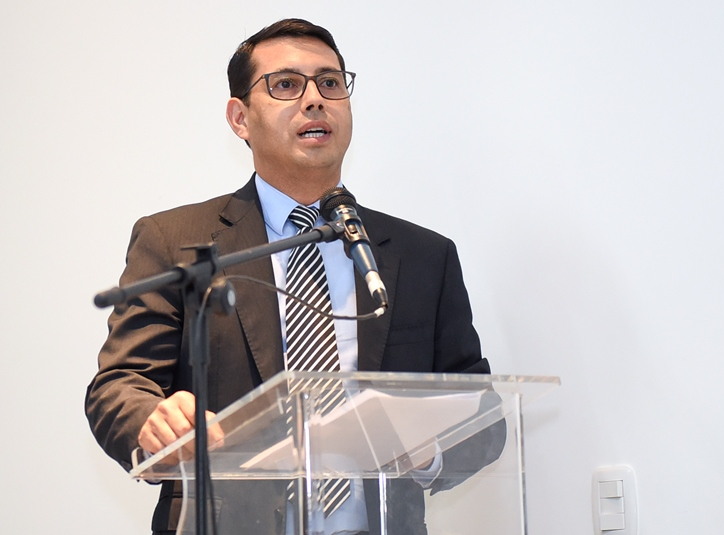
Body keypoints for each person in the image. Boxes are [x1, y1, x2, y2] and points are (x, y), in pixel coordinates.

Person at [85, 18, 503, 535]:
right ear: (240, 118)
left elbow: (483, 414)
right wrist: (152, 421)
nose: (315, 100)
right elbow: (118, 386)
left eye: (330, 82)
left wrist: (426, 450)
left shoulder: (422, 256)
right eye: (286, 84)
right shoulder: (176, 241)